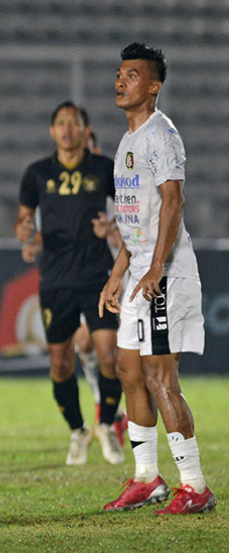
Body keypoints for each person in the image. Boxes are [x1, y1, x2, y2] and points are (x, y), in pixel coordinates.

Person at [100, 43, 216, 514]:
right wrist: (118, 271)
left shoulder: (161, 135)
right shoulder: (127, 142)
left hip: (164, 273)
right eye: (120, 73)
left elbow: (173, 202)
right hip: (140, 272)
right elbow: (135, 220)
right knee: (128, 371)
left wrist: (154, 267)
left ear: (154, 86)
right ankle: (147, 478)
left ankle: (196, 486)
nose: (121, 80)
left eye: (133, 74)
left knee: (160, 377)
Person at [15, 100, 124, 466]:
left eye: (73, 123)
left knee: (110, 355)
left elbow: (130, 211)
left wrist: (112, 227)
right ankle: (78, 431)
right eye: (60, 123)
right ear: (52, 130)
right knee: (60, 364)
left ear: (84, 130)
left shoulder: (104, 169)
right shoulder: (36, 174)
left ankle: (106, 425)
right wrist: (27, 235)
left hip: (97, 277)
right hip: (56, 280)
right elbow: (22, 222)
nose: (67, 129)